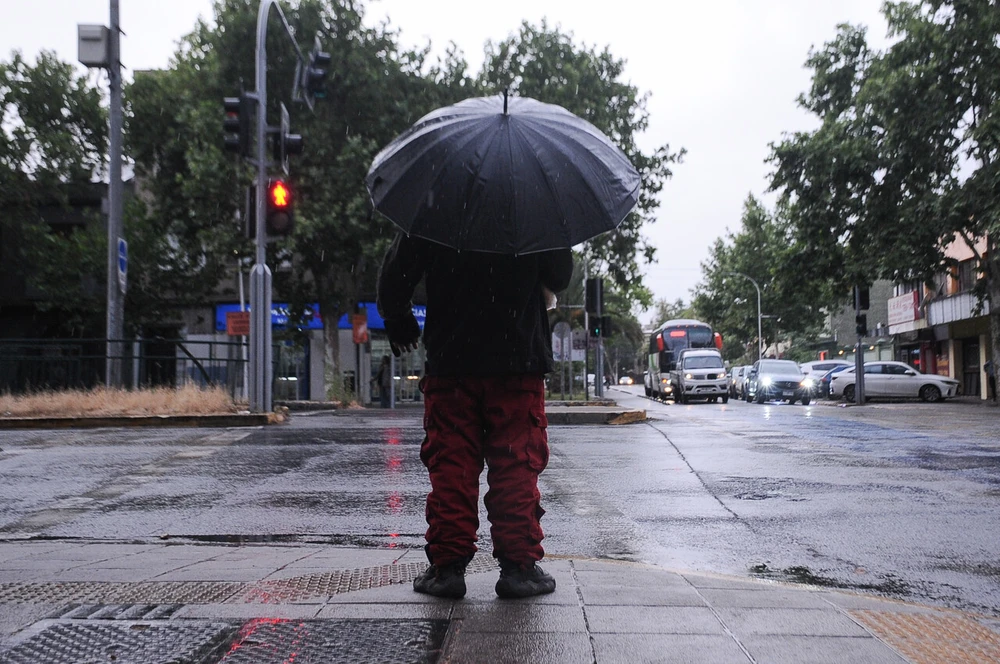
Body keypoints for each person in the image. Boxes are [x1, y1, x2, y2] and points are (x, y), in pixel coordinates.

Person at [377, 232, 573, 599]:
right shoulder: (531, 204)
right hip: (518, 356)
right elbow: (559, 275)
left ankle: (447, 567)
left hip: (453, 357)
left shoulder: (439, 201)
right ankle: (519, 567)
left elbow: (397, 270)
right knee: (516, 463)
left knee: (452, 463)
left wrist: (399, 318)